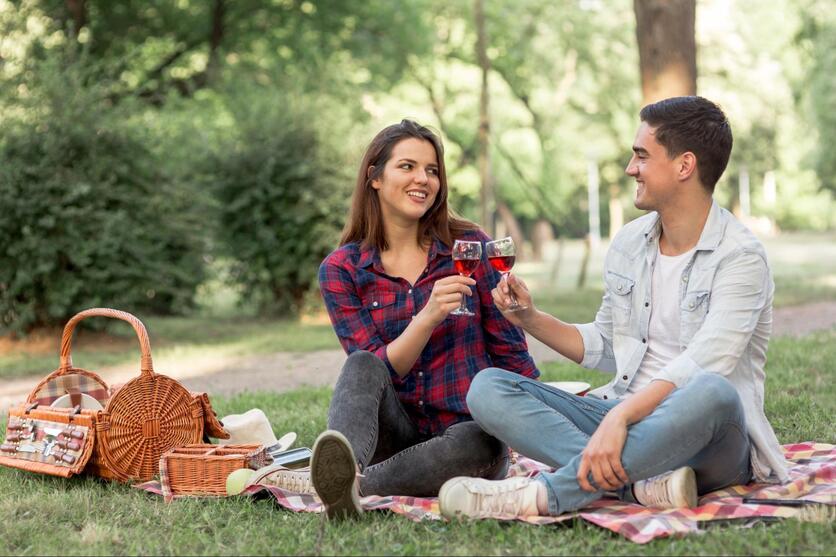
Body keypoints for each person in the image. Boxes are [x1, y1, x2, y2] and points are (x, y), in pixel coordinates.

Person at [439, 96, 790, 520]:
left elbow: (706, 363)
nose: (630, 168)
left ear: (684, 166)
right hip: (622, 419)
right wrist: (529, 318)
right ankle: (641, 485)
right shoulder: (629, 243)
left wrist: (622, 416)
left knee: (713, 390)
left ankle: (542, 496)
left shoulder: (740, 256)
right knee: (488, 387)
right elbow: (605, 345)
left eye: (641, 155)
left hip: (710, 436)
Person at [262, 119, 539, 519]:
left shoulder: (470, 246)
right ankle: (350, 471)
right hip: (392, 436)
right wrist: (427, 317)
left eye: (432, 170)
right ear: (375, 177)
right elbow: (375, 371)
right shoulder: (343, 269)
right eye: (407, 166)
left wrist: (543, 417)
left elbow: (508, 350)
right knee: (361, 363)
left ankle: (343, 486)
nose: (423, 179)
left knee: (476, 443)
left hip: (466, 435)